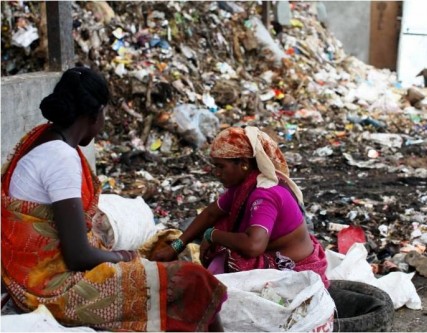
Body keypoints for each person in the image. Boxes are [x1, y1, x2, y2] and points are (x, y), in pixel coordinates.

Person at [1, 66, 227, 332]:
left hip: (27, 273)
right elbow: (77, 256)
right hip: (53, 287)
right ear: (95, 113)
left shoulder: (40, 137)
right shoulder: (60, 157)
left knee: (162, 250)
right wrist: (126, 257)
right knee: (194, 280)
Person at [152, 126, 329, 288]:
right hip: (273, 253)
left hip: (293, 267)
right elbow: (211, 214)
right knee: (222, 228)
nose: (217, 173)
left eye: (221, 167)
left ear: (243, 163)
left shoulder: (264, 194)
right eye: (215, 167)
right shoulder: (244, 187)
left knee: (226, 250)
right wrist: (175, 246)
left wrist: (212, 235)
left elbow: (253, 246)